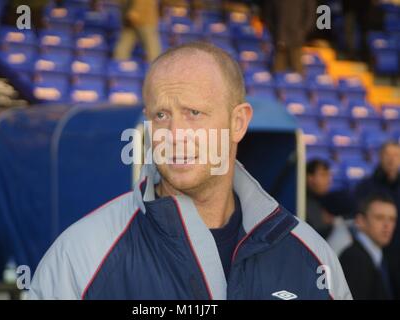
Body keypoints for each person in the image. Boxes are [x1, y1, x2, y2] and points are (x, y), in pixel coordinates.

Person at [28, 42, 351, 300]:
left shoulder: (312, 257)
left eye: (194, 113)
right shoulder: (81, 256)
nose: (175, 133)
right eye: (161, 115)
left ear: (237, 122)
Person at [354, 141, 400, 299]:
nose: (392, 159)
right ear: (380, 157)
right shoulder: (366, 186)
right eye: (388, 155)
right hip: (370, 251)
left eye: (396, 155)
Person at [339, 193, 397, 300]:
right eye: (379, 218)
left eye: (392, 219)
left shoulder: (382, 256)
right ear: (360, 221)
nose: (387, 225)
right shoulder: (353, 258)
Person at [262, 0, 316, 74]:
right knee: (278, 73)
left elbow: (310, 16)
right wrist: (277, 34)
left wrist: (301, 33)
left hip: (297, 41)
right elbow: (268, 17)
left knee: (298, 75)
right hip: (279, 41)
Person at [306, 159, 335, 238]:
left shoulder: (327, 199)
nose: (328, 180)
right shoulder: (303, 202)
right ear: (310, 178)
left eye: (329, 175)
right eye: (323, 175)